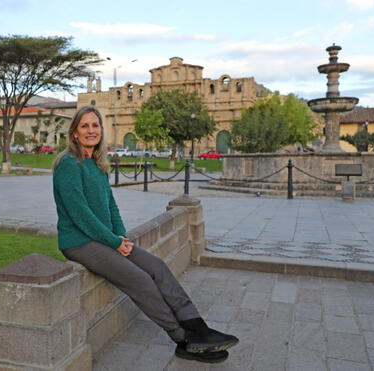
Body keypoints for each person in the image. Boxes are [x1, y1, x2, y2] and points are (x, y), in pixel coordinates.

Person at [52, 105, 239, 364]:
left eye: (95, 125)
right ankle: (183, 339)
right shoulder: (69, 165)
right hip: (80, 241)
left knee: (157, 268)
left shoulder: (97, 164)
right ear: (74, 133)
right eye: (84, 126)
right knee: (140, 279)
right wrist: (113, 242)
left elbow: (110, 205)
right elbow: (80, 214)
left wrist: (121, 236)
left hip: (105, 238)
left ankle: (198, 328)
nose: (91, 130)